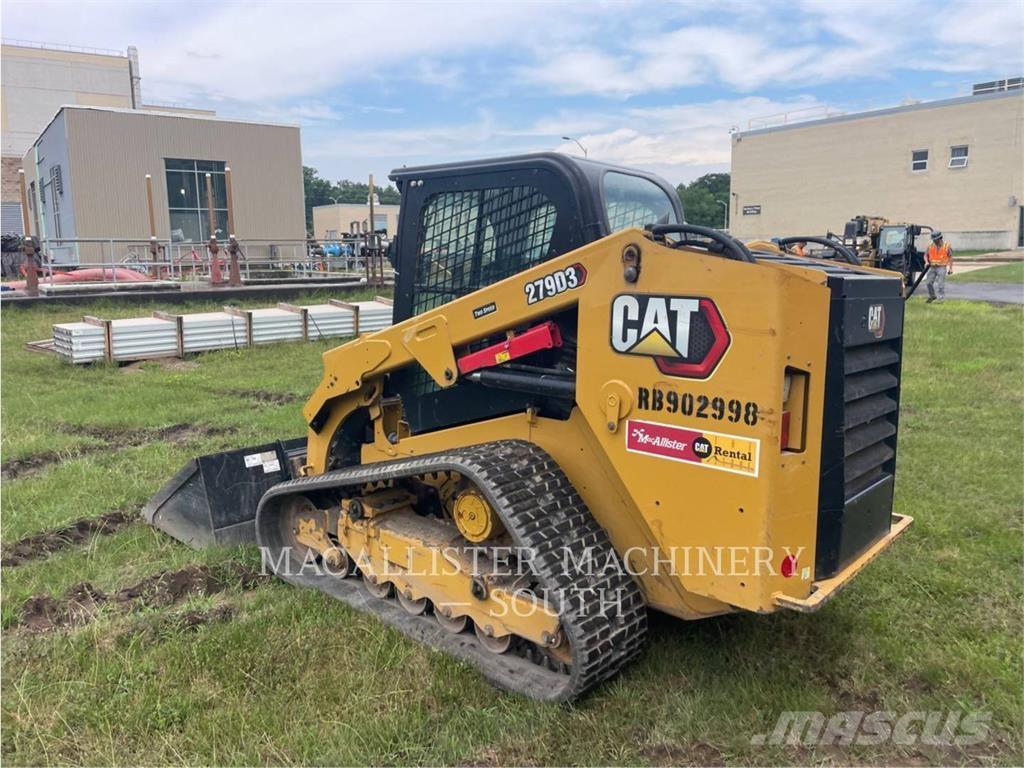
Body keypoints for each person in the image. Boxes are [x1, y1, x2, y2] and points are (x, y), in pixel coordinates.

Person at [925, 231, 953, 303]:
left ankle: (941, 299)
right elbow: (925, 255)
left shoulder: (947, 246)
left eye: (935, 239)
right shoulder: (930, 246)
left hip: (941, 267)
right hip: (932, 267)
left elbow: (950, 257)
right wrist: (926, 262)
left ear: (940, 238)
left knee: (940, 284)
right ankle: (932, 296)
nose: (934, 240)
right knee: (928, 283)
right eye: (933, 239)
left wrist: (950, 268)